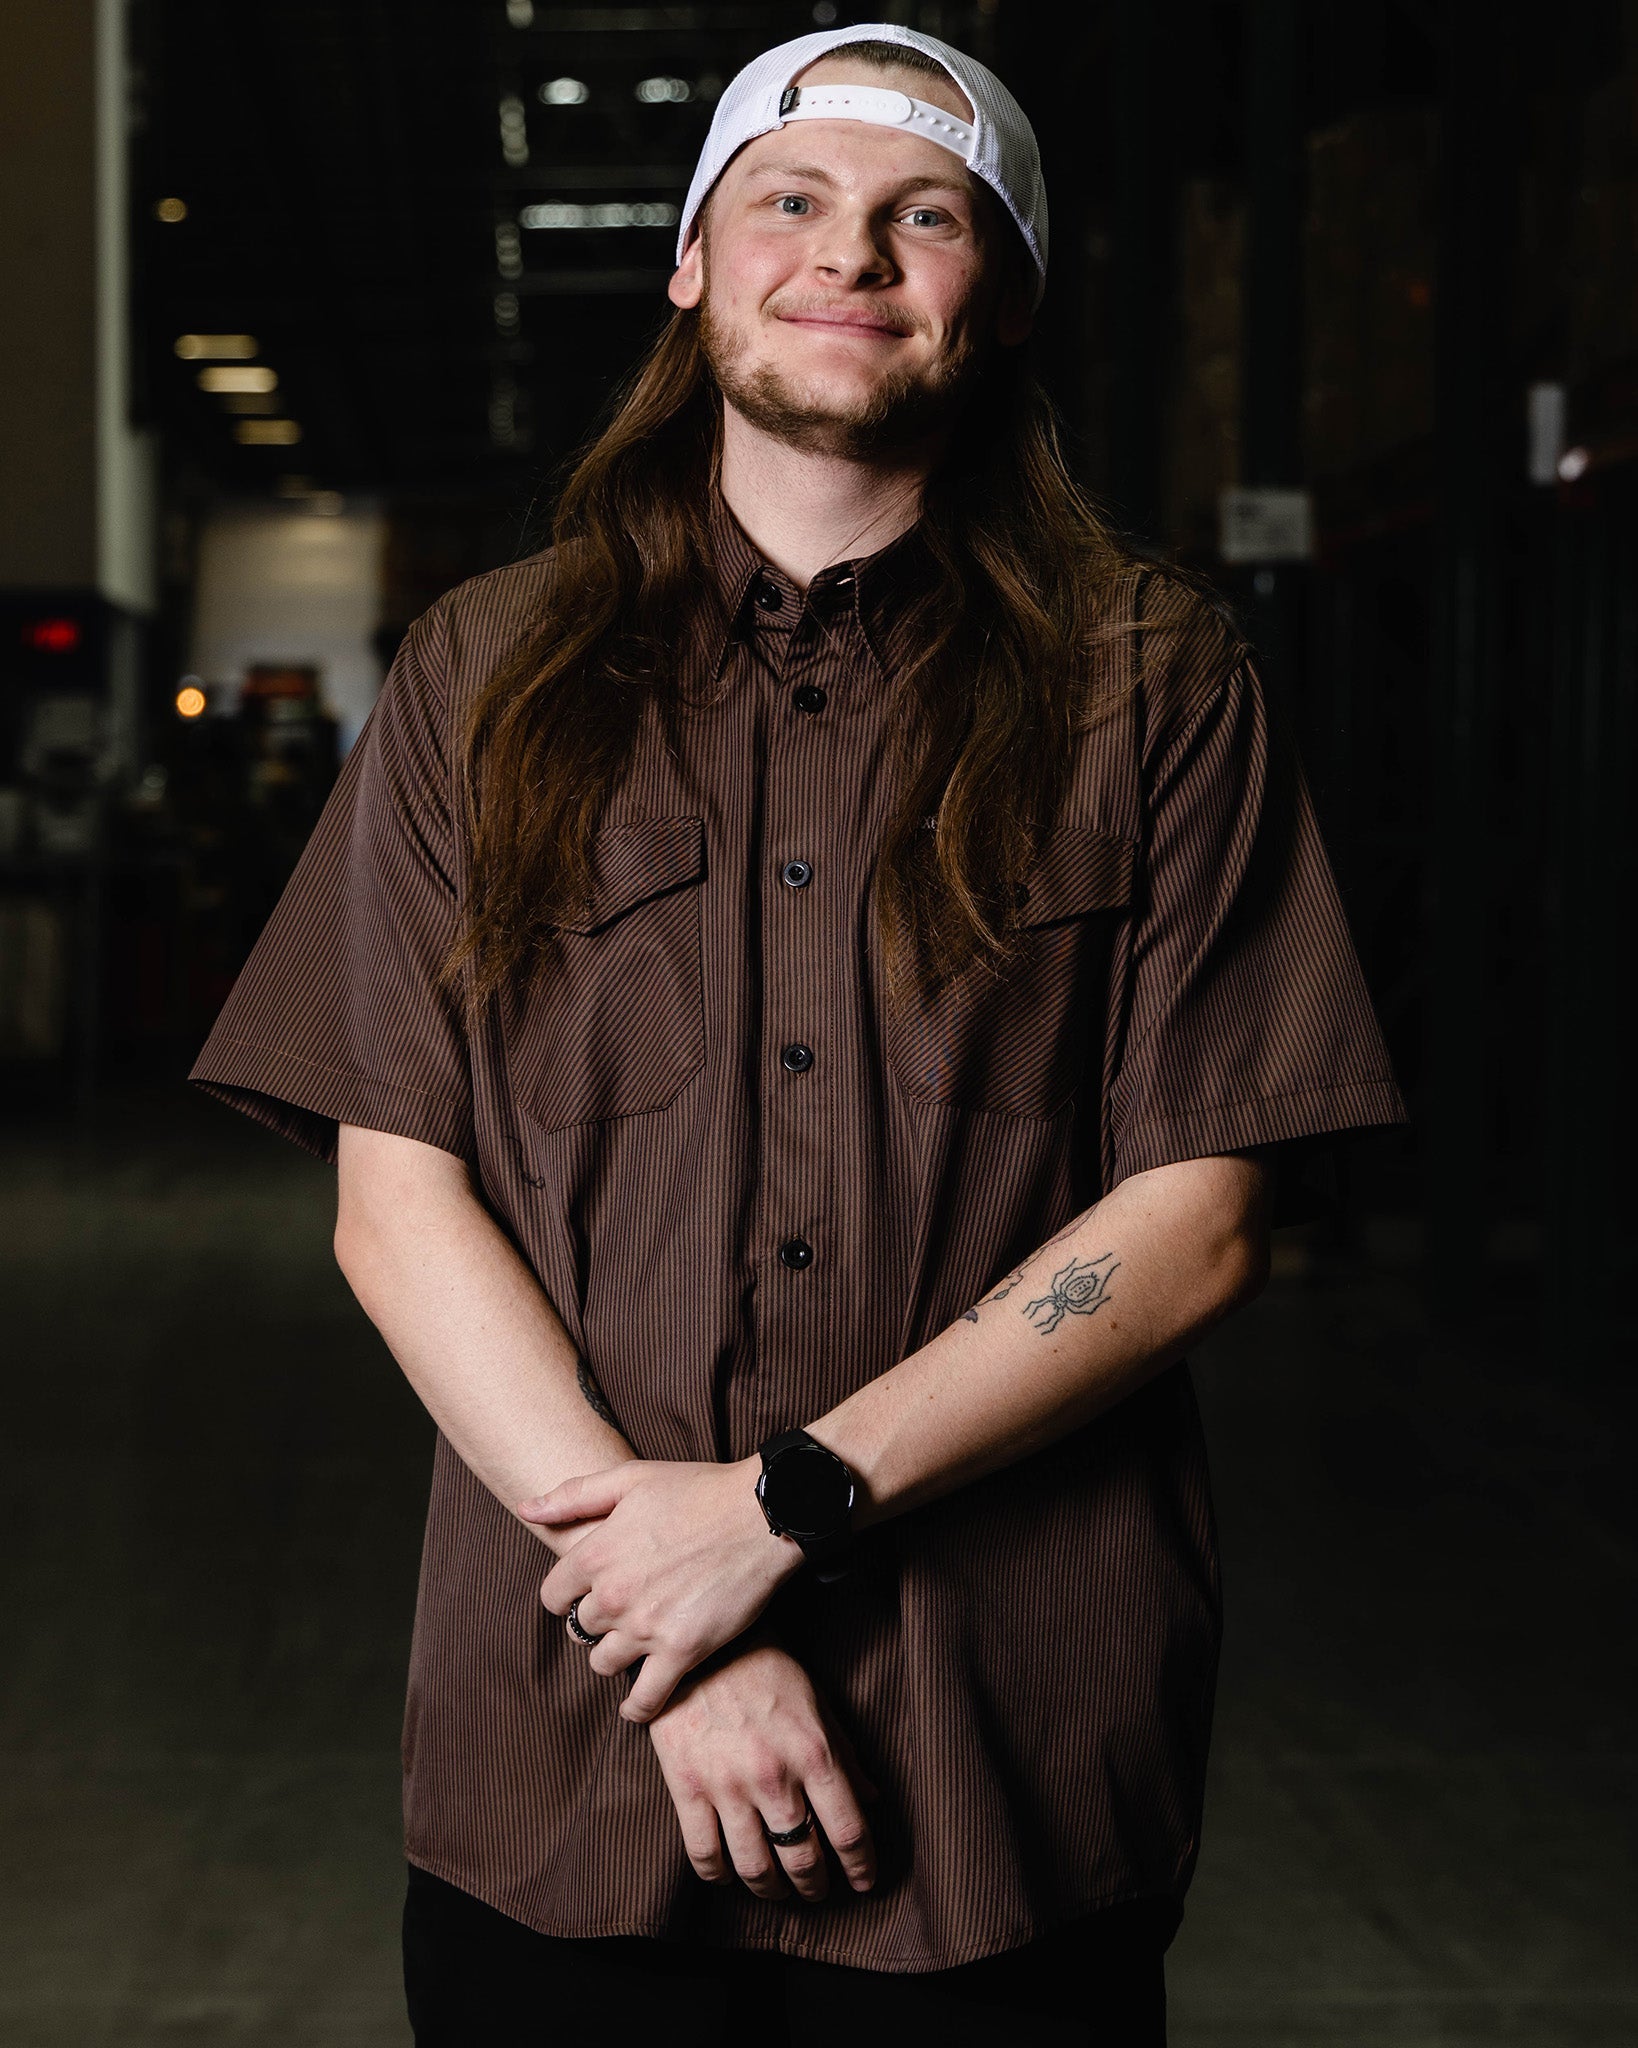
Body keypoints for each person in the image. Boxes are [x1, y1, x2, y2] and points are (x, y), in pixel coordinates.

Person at [189, 22, 1409, 2046]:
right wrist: (666, 1628)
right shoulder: (484, 673)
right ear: (692, 258)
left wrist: (769, 1517)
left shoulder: (1155, 679)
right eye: (795, 198)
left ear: (999, 296)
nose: (851, 253)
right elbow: (395, 1202)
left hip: (1004, 1750)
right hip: (570, 1768)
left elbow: (1201, 1209)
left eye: (925, 215)